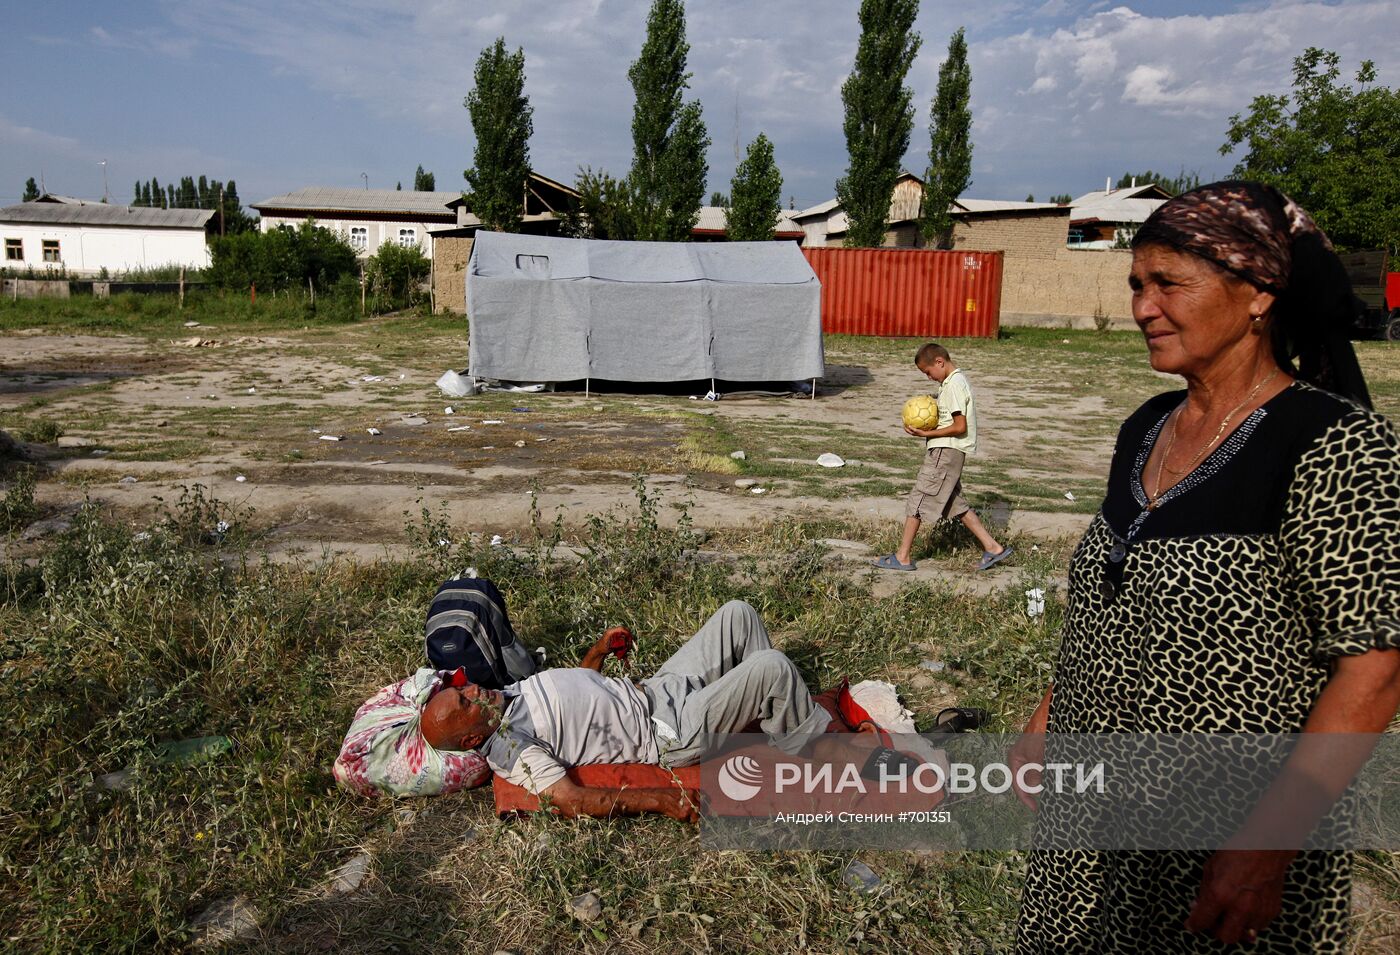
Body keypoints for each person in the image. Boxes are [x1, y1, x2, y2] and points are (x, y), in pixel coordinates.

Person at [1010, 181, 1400, 953]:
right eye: (1135, 285)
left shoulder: (1334, 445)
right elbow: (1108, 593)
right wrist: (1049, 717)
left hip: (1225, 828)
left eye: (1168, 284)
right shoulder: (1147, 427)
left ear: (1257, 294)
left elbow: (1376, 666)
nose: (1143, 307)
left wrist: (1268, 843)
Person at [421, 600, 838, 820]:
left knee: (738, 614)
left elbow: (578, 691)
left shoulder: (504, 696)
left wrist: (598, 651)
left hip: (658, 686)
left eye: (463, 688)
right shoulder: (512, 750)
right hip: (669, 728)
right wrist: (664, 799)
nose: (473, 689)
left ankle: (776, 720)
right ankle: (811, 751)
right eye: (464, 700)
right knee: (772, 667)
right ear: (474, 738)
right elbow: (572, 800)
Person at [875, 342, 1012, 572]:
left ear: (940, 362)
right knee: (955, 504)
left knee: (918, 499)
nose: (929, 377)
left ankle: (903, 557)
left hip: (945, 452)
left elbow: (960, 426)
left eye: (928, 372)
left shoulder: (954, 385)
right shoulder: (952, 383)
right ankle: (993, 547)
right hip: (949, 453)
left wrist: (927, 433)